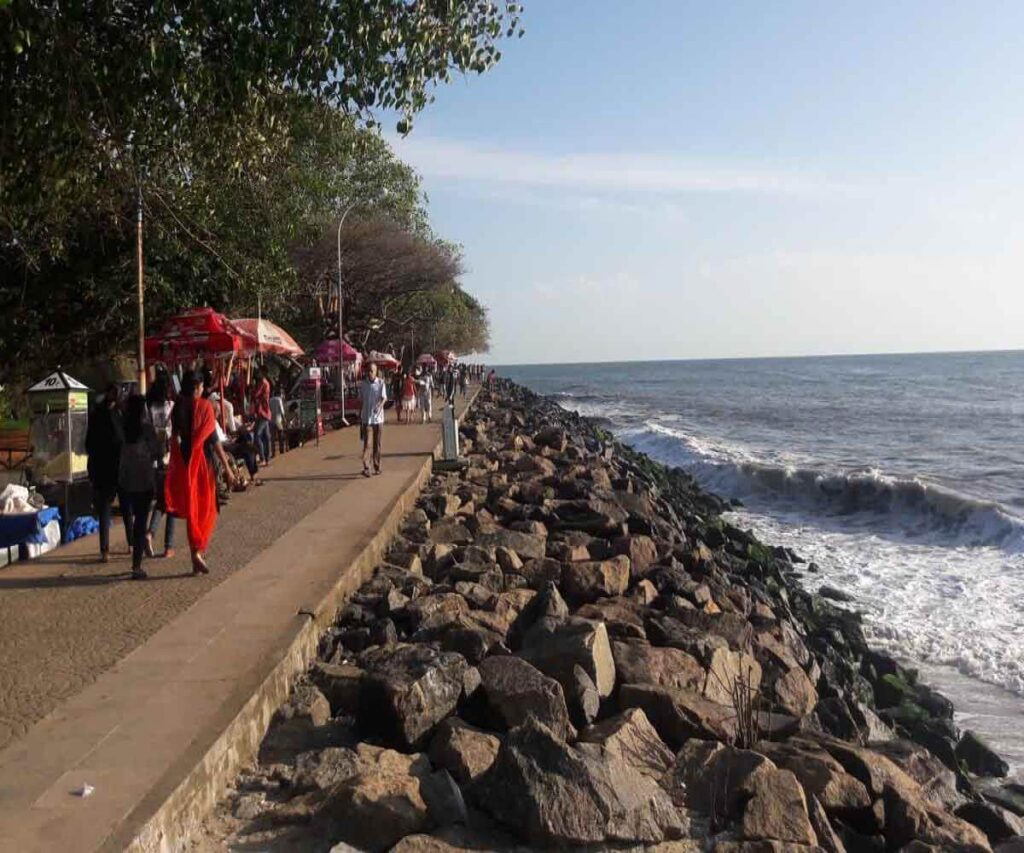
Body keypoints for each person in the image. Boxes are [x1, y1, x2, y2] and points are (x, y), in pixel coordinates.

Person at [166, 371, 235, 575]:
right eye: (202, 386)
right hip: (204, 465)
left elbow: (175, 438)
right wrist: (229, 470)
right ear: (196, 387)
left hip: (186, 464)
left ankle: (195, 555)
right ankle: (198, 551)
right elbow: (214, 442)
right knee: (208, 509)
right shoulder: (205, 408)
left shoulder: (178, 408)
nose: (203, 389)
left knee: (193, 510)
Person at [86, 384, 130, 563]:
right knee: (125, 507)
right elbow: (124, 441)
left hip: (101, 468)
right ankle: (132, 543)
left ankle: (105, 550)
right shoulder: (119, 416)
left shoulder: (96, 415)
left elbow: (88, 444)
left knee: (105, 509)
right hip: (117, 467)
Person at [118, 394, 161, 579]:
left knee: (134, 519)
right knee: (141, 520)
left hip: (126, 479)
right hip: (144, 478)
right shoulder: (146, 428)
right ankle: (136, 565)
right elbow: (158, 451)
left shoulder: (123, 428)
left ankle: (136, 558)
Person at [146, 374, 177, 559]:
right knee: (171, 502)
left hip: (153, 460)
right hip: (169, 458)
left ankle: (150, 534)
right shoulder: (171, 407)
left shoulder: (148, 408)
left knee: (161, 501)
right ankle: (168, 546)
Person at [359, 362, 387, 477]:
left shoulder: (380, 383)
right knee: (367, 444)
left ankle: (377, 466)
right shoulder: (363, 384)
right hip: (366, 419)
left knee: (377, 444)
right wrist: (360, 417)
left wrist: (379, 406)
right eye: (369, 371)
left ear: (376, 372)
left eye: (372, 371)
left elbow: (384, 398)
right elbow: (361, 400)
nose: (370, 373)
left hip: (378, 419)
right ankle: (366, 467)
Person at [252, 365, 272, 465]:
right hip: (265, 412)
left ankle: (263, 458)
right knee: (266, 436)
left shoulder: (262, 383)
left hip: (263, 412)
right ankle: (267, 458)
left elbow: (255, 394)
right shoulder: (265, 382)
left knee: (257, 435)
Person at [269, 384, 286, 457]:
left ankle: (273, 453)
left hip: (271, 420)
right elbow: (282, 411)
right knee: (280, 436)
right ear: (280, 394)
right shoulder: (279, 400)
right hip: (278, 420)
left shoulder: (270, 400)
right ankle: (281, 450)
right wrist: (284, 419)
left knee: (272, 438)